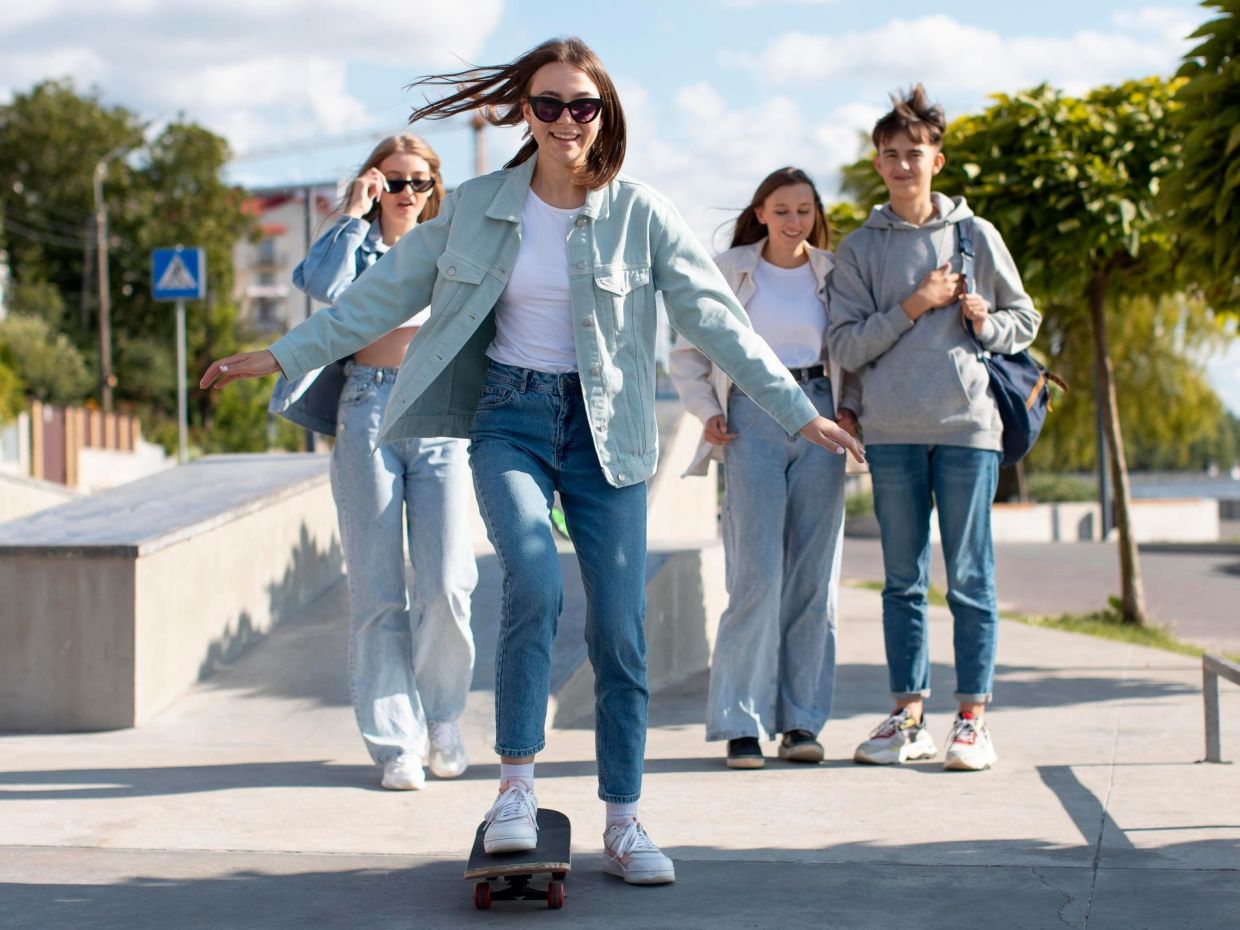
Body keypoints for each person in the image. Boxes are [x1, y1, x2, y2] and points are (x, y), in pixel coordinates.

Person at [202, 37, 864, 885]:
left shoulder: (641, 215)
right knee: (534, 581)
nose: (562, 120)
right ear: (525, 111)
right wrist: (282, 355)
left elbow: (719, 324)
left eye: (579, 106)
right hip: (509, 418)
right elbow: (379, 293)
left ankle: (623, 821)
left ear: (603, 114)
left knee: (620, 632)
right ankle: (514, 790)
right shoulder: (475, 206)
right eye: (546, 104)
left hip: (609, 435)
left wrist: (797, 412)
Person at [825, 85, 1041, 771]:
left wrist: (984, 320)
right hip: (889, 432)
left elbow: (1024, 323)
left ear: (937, 160)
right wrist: (916, 305)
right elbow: (846, 347)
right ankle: (907, 718)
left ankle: (972, 721)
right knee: (902, 581)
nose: (901, 165)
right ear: (878, 162)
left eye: (913, 154)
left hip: (968, 427)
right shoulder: (861, 249)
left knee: (971, 578)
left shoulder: (976, 237)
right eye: (889, 155)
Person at [270, 134, 478, 792]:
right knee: (377, 587)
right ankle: (397, 743)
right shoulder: (357, 244)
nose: (406, 193)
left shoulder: (452, 243)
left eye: (418, 181)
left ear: (434, 187)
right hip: (367, 408)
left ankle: (443, 718)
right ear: (373, 182)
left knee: (447, 581)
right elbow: (320, 288)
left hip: (440, 413)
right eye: (393, 180)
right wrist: (350, 215)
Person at [669, 167, 860, 770]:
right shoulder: (729, 271)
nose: (793, 221)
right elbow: (688, 353)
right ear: (760, 212)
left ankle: (802, 722)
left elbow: (851, 350)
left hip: (822, 416)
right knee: (755, 577)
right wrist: (706, 411)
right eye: (781, 210)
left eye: (803, 210)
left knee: (813, 577)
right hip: (750, 416)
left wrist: (851, 409)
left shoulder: (835, 273)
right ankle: (741, 724)